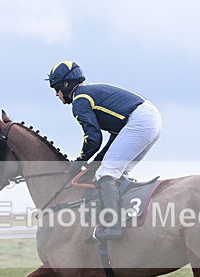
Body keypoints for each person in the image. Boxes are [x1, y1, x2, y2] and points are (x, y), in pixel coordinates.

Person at [47, 60, 162, 241]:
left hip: (140, 121)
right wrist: (96, 161)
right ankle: (127, 219)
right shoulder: (88, 94)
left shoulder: (80, 100)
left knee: (107, 173)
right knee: (115, 172)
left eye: (56, 88)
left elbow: (93, 138)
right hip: (147, 119)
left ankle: (112, 225)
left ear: (66, 84)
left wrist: (80, 161)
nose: (56, 94)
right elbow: (115, 136)